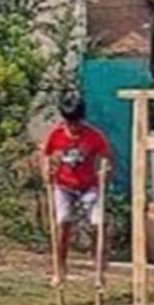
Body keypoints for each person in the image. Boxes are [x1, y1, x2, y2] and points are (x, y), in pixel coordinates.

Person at [41, 93, 110, 284]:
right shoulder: (56, 135)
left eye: (76, 122)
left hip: (88, 186)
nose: (73, 127)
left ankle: (99, 269)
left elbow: (105, 157)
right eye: (69, 123)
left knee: (98, 223)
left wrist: (105, 171)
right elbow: (46, 154)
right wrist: (46, 170)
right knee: (63, 222)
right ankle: (60, 268)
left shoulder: (94, 136)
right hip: (64, 185)